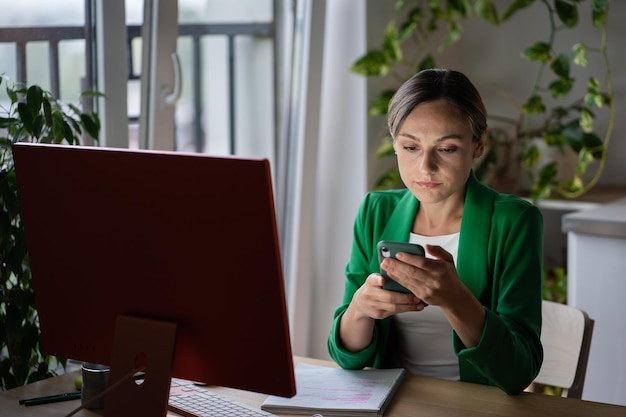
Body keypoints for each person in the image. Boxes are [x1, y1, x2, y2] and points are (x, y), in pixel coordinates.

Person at [327, 68, 543, 395]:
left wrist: (456, 299)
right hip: (394, 402)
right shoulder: (376, 210)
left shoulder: (514, 221)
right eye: (411, 147)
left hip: (475, 406)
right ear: (395, 145)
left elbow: (518, 371)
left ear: (479, 144)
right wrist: (360, 308)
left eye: (447, 148)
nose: (426, 167)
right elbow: (348, 358)